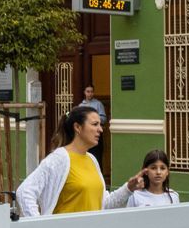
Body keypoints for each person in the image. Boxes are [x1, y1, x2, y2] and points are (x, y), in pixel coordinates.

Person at [15, 105, 144, 217]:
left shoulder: (92, 159)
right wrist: (39, 226)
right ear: (77, 127)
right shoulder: (59, 159)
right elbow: (24, 192)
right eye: (95, 124)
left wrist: (128, 188)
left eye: (100, 124)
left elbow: (104, 204)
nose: (100, 129)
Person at [77, 85, 108, 163]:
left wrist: (93, 120)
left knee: (96, 158)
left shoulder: (98, 104)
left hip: (96, 134)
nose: (90, 94)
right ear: (84, 92)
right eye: (88, 91)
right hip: (84, 136)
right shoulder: (81, 106)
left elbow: (104, 119)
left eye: (91, 92)